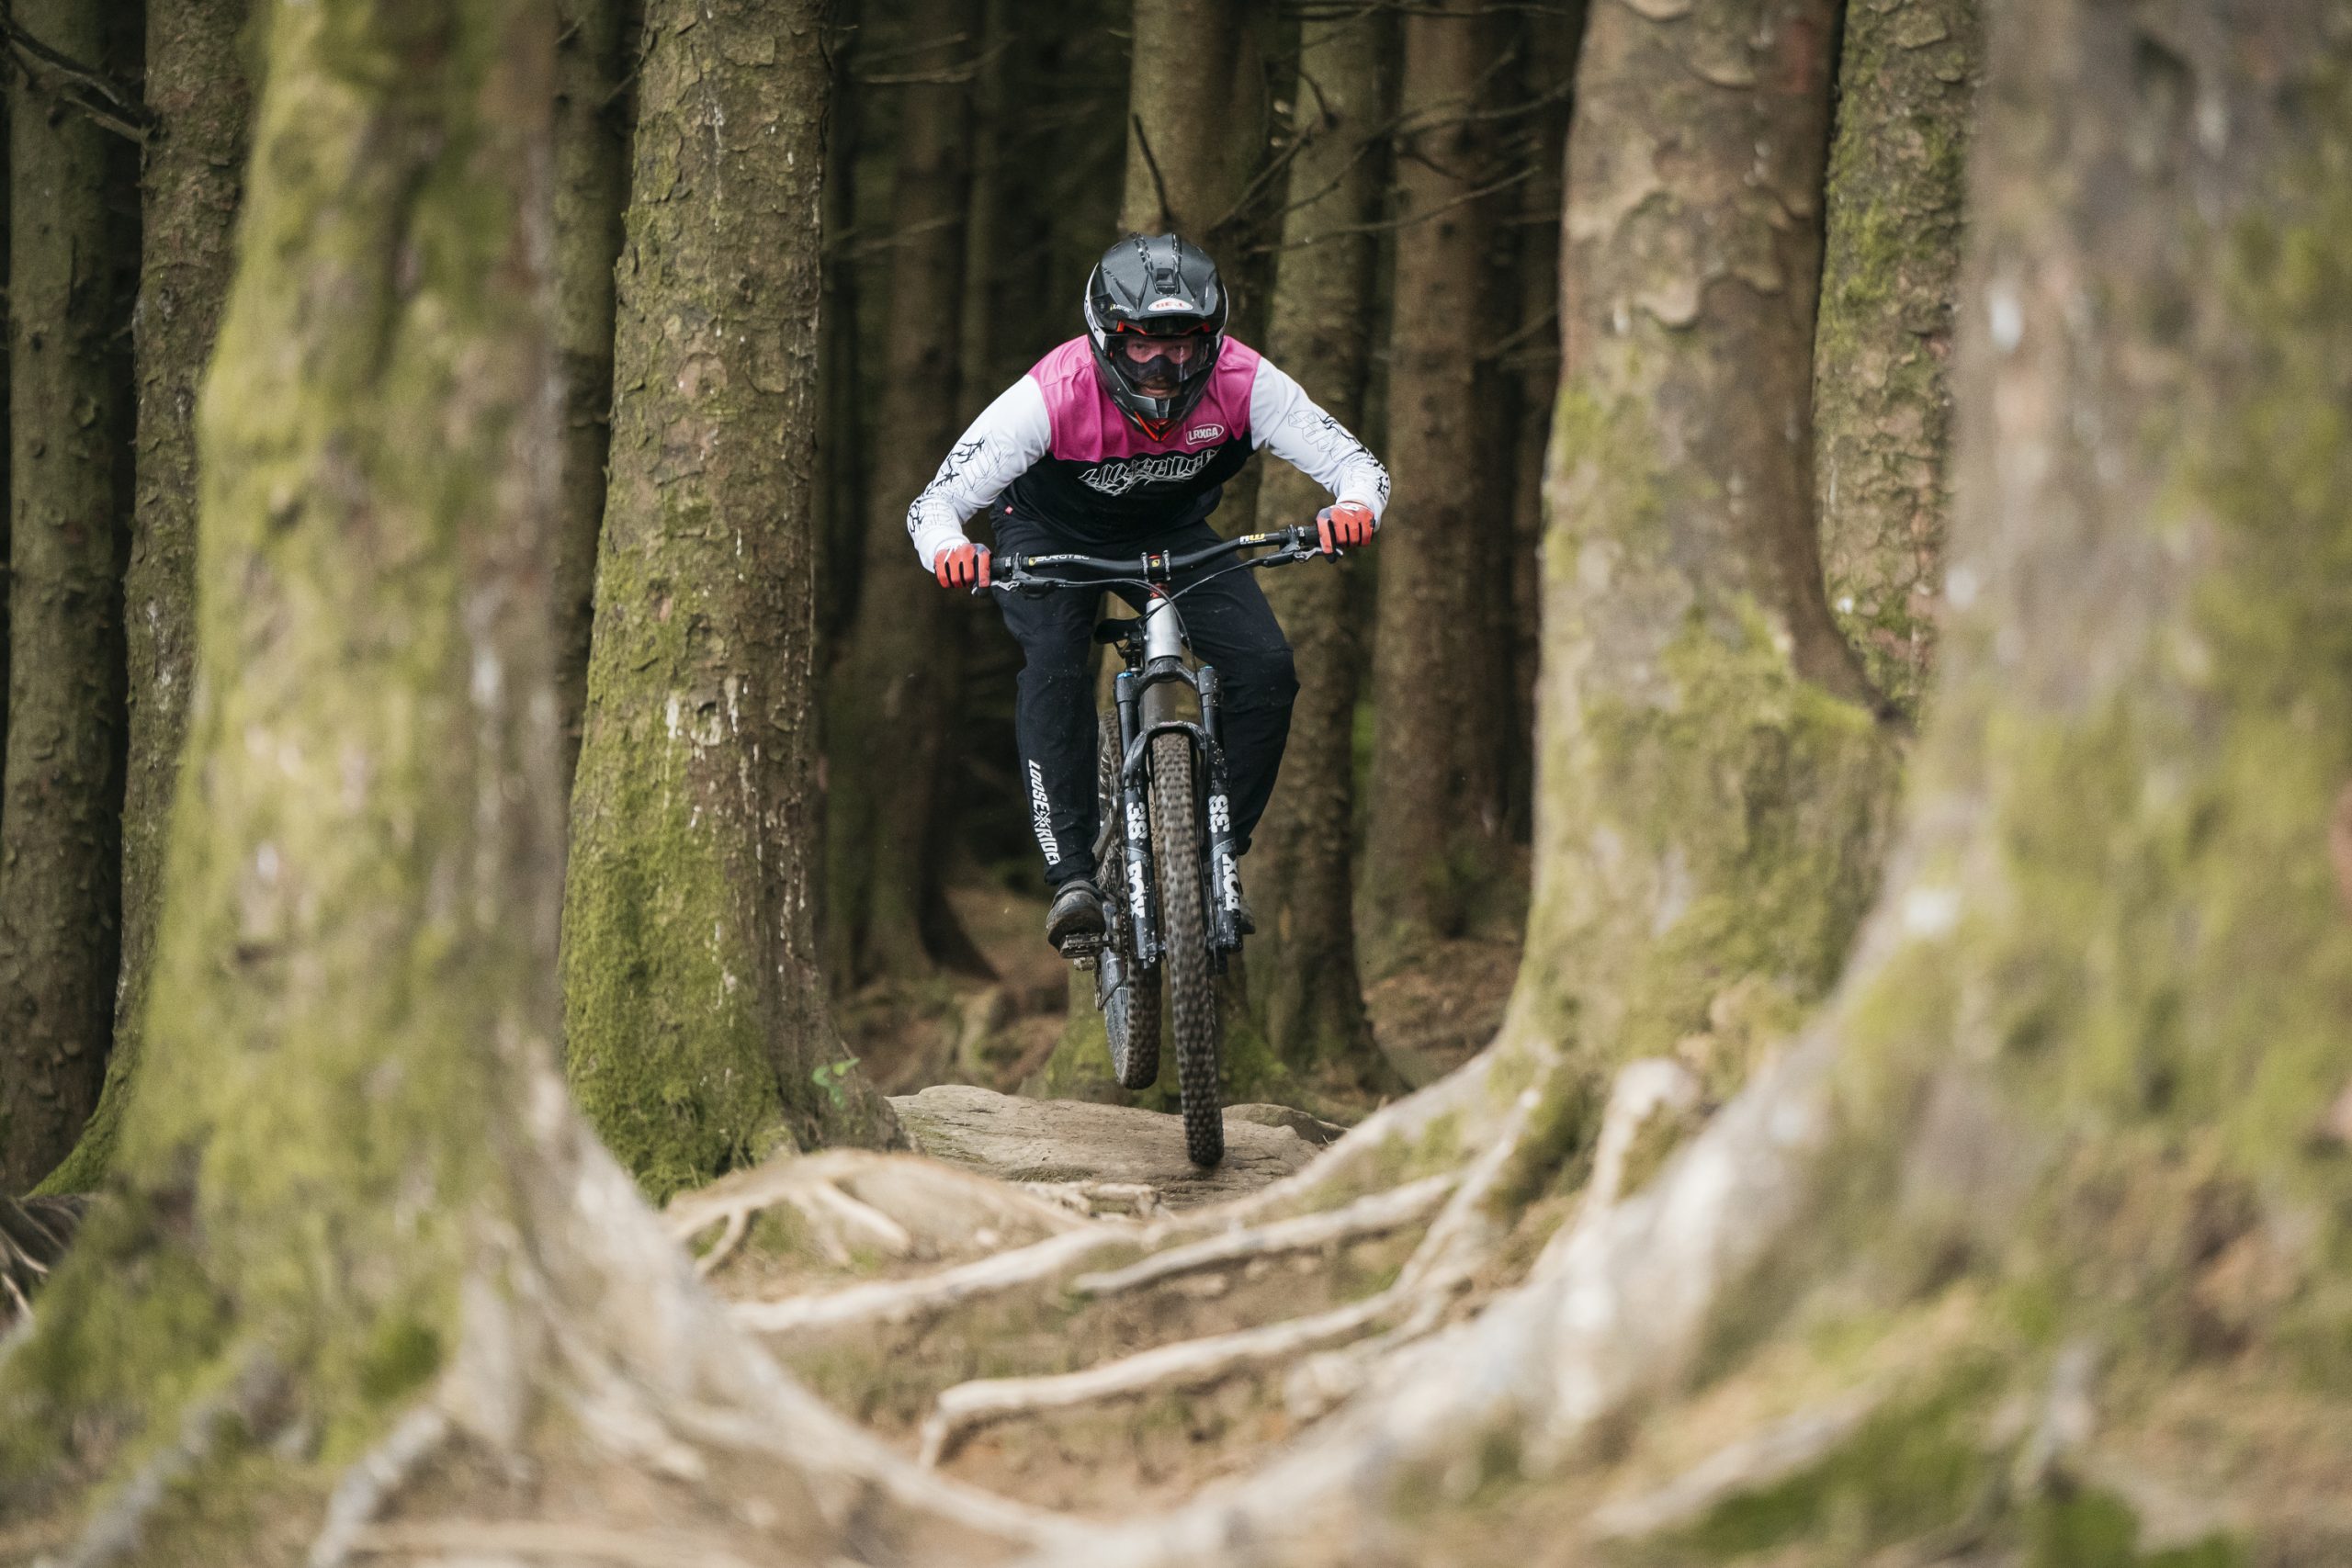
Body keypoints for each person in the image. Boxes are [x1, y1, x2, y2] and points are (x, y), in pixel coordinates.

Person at [906, 233, 1389, 953]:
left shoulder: (1247, 382)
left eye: (1186, 346)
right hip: (1049, 531)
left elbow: (1358, 466)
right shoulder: (1049, 396)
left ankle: (1212, 848)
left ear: (1213, 340)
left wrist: (1352, 510)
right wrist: (953, 551)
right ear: (1105, 340)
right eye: (1141, 348)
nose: (1165, 367)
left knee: (1266, 671)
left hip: (1174, 532)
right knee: (1056, 661)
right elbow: (932, 506)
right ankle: (1072, 875)